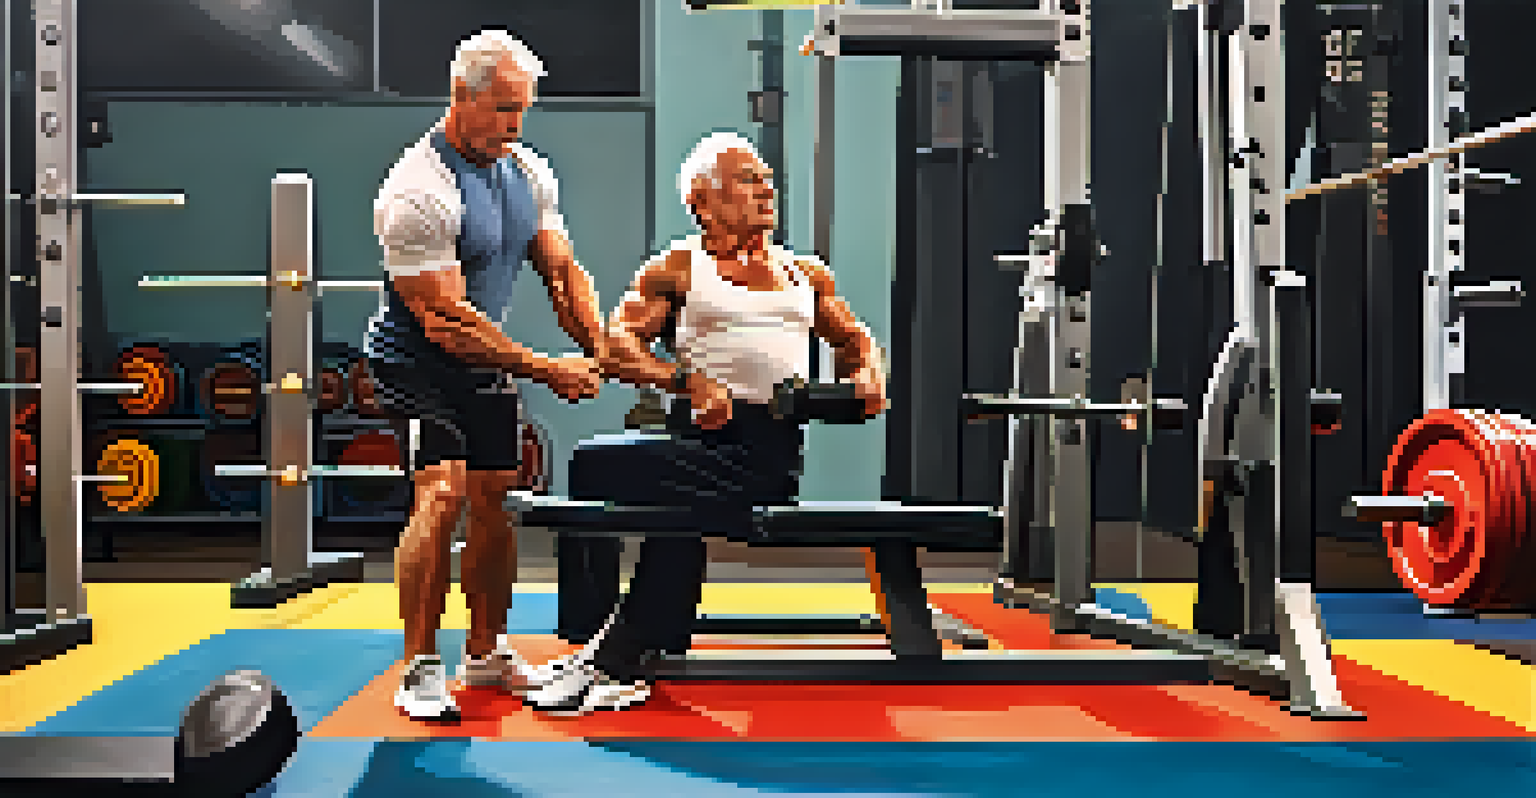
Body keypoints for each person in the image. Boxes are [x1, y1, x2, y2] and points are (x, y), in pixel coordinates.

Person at [522, 131, 888, 714]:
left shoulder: (804, 275)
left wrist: (869, 374)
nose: (766, 187)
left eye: (767, 177)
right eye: (747, 178)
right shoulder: (679, 268)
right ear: (702, 199)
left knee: (603, 473)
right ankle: (618, 648)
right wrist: (685, 381)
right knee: (638, 495)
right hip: (696, 438)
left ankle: (609, 653)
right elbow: (616, 347)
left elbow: (855, 341)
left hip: (765, 450)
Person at [364, 29, 607, 722]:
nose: (514, 124)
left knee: (499, 498)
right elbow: (444, 322)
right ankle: (418, 665)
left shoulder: (526, 172)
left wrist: (599, 347)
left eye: (521, 109)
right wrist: (544, 368)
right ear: (460, 97)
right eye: (501, 109)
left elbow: (562, 272)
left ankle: (486, 649)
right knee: (441, 494)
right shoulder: (417, 190)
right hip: (417, 362)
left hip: (483, 362)